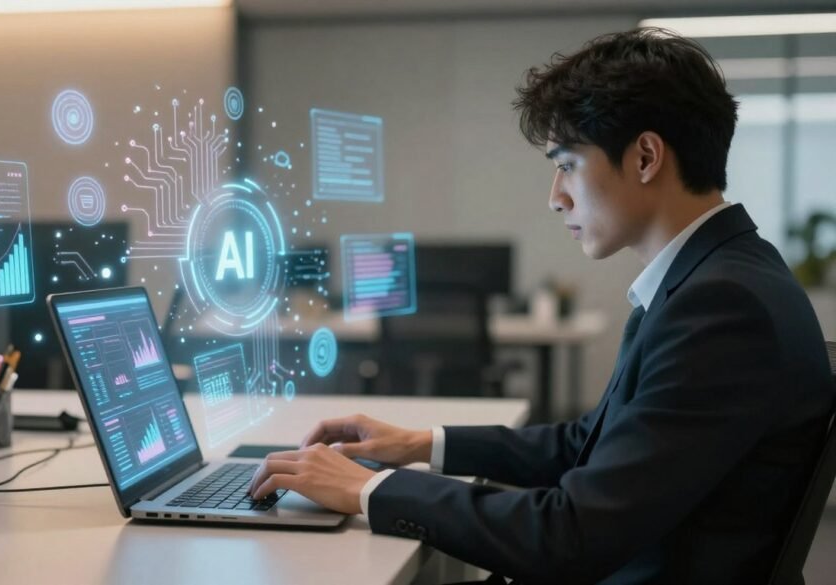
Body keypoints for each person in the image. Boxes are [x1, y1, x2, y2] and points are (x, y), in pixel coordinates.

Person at [249, 28, 835, 583]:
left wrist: (366, 490)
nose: (556, 198)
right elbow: (591, 442)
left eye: (566, 165)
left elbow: (570, 536)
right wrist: (418, 444)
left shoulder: (723, 307)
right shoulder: (719, 277)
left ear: (646, 157)